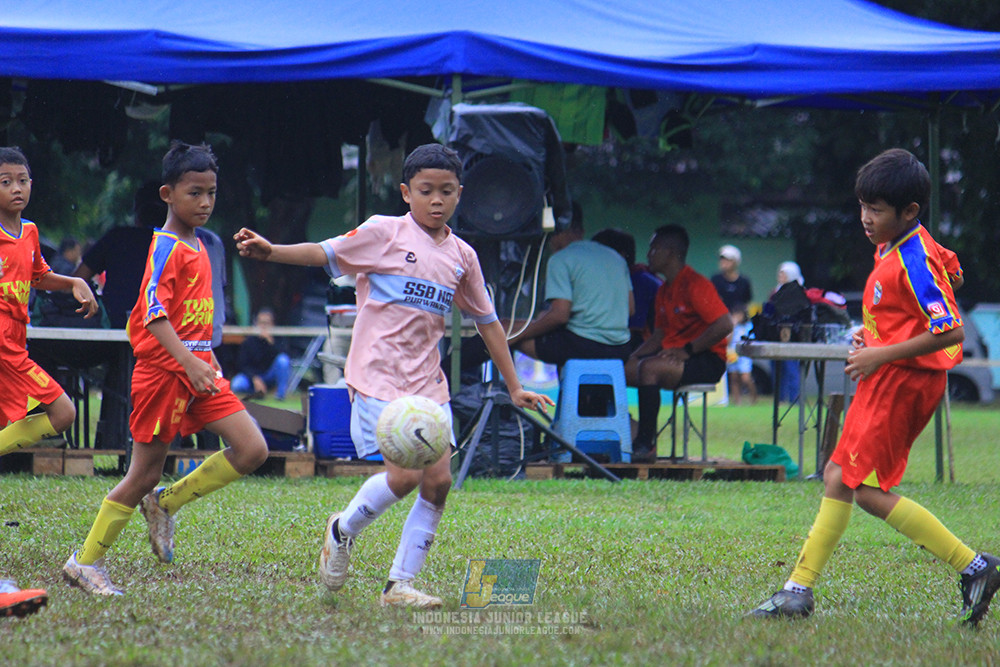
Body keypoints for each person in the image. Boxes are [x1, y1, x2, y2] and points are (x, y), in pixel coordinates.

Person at [234, 143, 554, 609]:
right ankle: (342, 529)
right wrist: (271, 251)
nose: (437, 200)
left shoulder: (463, 257)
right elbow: (324, 253)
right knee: (403, 478)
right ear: (407, 192)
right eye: (426, 190)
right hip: (377, 375)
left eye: (447, 191)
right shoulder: (383, 233)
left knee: (438, 481)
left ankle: (398, 585)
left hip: (427, 384)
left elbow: (487, 321)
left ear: (461, 194)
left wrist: (515, 385)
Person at [751, 148, 1000, 625]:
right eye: (863, 206)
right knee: (836, 476)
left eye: (877, 209)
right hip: (887, 375)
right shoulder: (890, 243)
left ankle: (975, 566)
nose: (866, 218)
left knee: (862, 488)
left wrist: (879, 353)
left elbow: (950, 331)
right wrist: (874, 335)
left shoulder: (914, 258)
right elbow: (905, 314)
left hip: (904, 383)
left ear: (910, 212)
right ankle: (797, 590)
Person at [63, 142, 269, 597]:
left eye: (211, 192)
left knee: (253, 449)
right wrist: (188, 361)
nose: (206, 202)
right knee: (142, 474)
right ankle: (85, 562)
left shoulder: (202, 243)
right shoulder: (166, 246)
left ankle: (165, 504)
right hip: (163, 373)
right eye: (195, 193)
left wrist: (205, 358)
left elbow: (191, 313)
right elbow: (154, 315)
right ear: (167, 195)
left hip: (197, 369)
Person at [0, 146, 99, 458]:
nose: (16, 188)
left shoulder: (29, 231)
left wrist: (73, 282)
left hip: (17, 339)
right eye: (5, 182)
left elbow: (38, 275)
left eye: (23, 180)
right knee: (63, 413)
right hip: (4, 344)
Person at [626, 224, 732, 463]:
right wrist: (632, 357)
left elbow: (724, 324)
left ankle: (645, 444)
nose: (648, 254)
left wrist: (688, 350)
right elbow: (658, 337)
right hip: (676, 355)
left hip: (706, 359)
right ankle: (623, 432)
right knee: (616, 372)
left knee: (649, 369)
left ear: (671, 253)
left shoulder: (696, 284)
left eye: (654, 249)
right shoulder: (664, 289)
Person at [503, 212, 634, 369]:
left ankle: (479, 379)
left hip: (584, 345)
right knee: (512, 327)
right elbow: (630, 309)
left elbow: (560, 316)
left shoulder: (561, 258)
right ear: (581, 231)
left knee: (507, 334)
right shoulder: (614, 256)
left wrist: (520, 333)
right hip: (621, 348)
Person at [592, 227, 661, 351]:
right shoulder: (636, 276)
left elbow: (633, 329)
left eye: (599, 254)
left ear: (620, 256)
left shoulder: (638, 281)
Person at [230, 307, 291, 400]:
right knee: (237, 384)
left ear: (272, 324)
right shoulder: (249, 340)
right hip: (253, 377)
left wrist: (270, 342)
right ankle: (257, 393)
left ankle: (280, 395)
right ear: (256, 323)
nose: (264, 326)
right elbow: (242, 364)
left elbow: (285, 358)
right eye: (261, 322)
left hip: (270, 375)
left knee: (283, 360)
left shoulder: (278, 338)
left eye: (267, 323)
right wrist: (254, 378)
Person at [772, 261, 804, 402]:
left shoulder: (799, 292)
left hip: (792, 337)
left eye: (784, 273)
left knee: (791, 369)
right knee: (777, 370)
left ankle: (794, 398)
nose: (781, 276)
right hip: (775, 336)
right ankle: (779, 398)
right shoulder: (776, 292)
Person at [726, 303, 756, 405]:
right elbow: (728, 341)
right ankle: (737, 401)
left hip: (744, 355)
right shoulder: (731, 326)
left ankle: (753, 397)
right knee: (734, 378)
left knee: (745, 378)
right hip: (732, 354)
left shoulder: (748, 326)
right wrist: (732, 327)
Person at [710, 244, 752, 312]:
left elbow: (746, 303)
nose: (723, 262)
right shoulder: (715, 279)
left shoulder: (744, 282)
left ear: (736, 262)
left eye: (728, 260)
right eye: (722, 259)